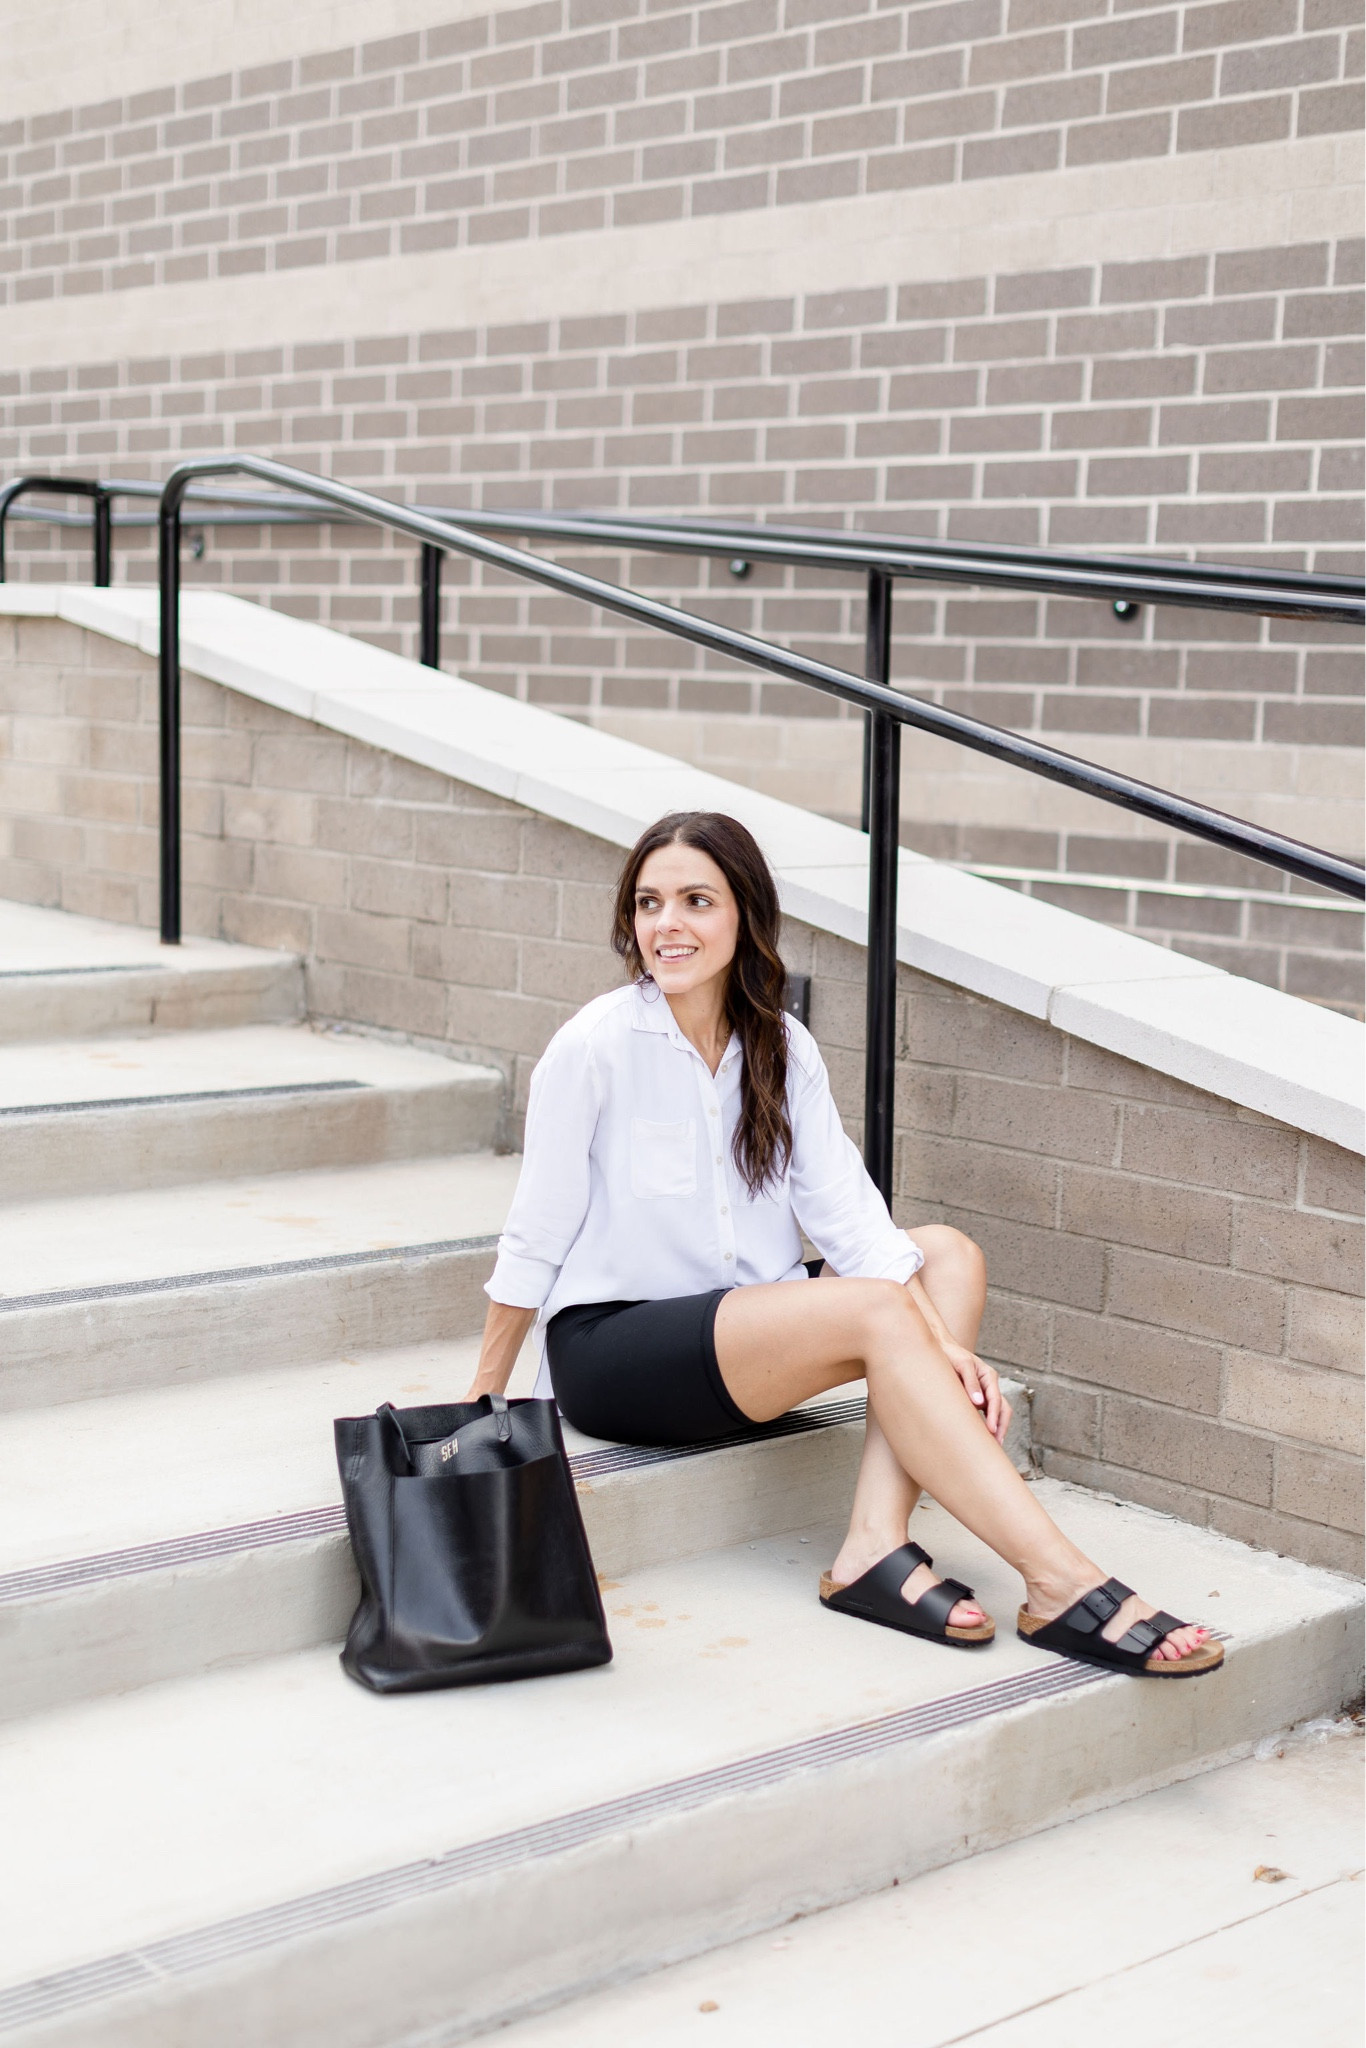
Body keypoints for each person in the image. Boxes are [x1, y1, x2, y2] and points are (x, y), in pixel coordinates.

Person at [467, 811, 1222, 1679]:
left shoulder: (780, 1045)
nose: (666, 924)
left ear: (745, 914)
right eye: (649, 903)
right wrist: (480, 1404)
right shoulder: (595, 1045)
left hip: (748, 1333)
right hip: (618, 1351)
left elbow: (850, 1216)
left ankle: (874, 1542)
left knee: (947, 1256)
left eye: (695, 901)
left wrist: (938, 1339)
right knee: (880, 1306)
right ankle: (1061, 1580)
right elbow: (535, 1233)